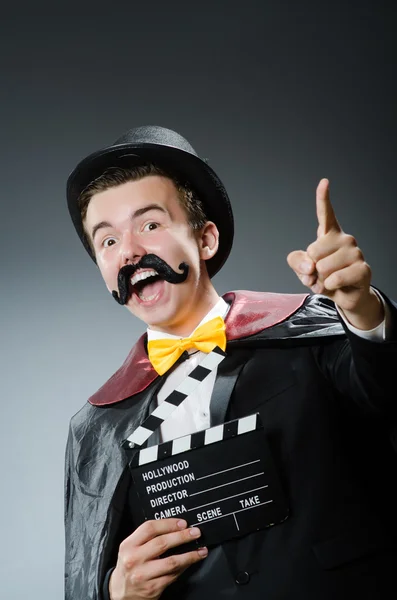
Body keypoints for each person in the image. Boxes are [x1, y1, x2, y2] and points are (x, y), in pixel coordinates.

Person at [65, 125, 397, 600]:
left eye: (150, 224)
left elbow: (385, 388)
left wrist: (361, 308)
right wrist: (117, 591)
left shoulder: (310, 333)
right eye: (108, 242)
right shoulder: (97, 428)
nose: (131, 252)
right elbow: (91, 563)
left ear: (206, 240)